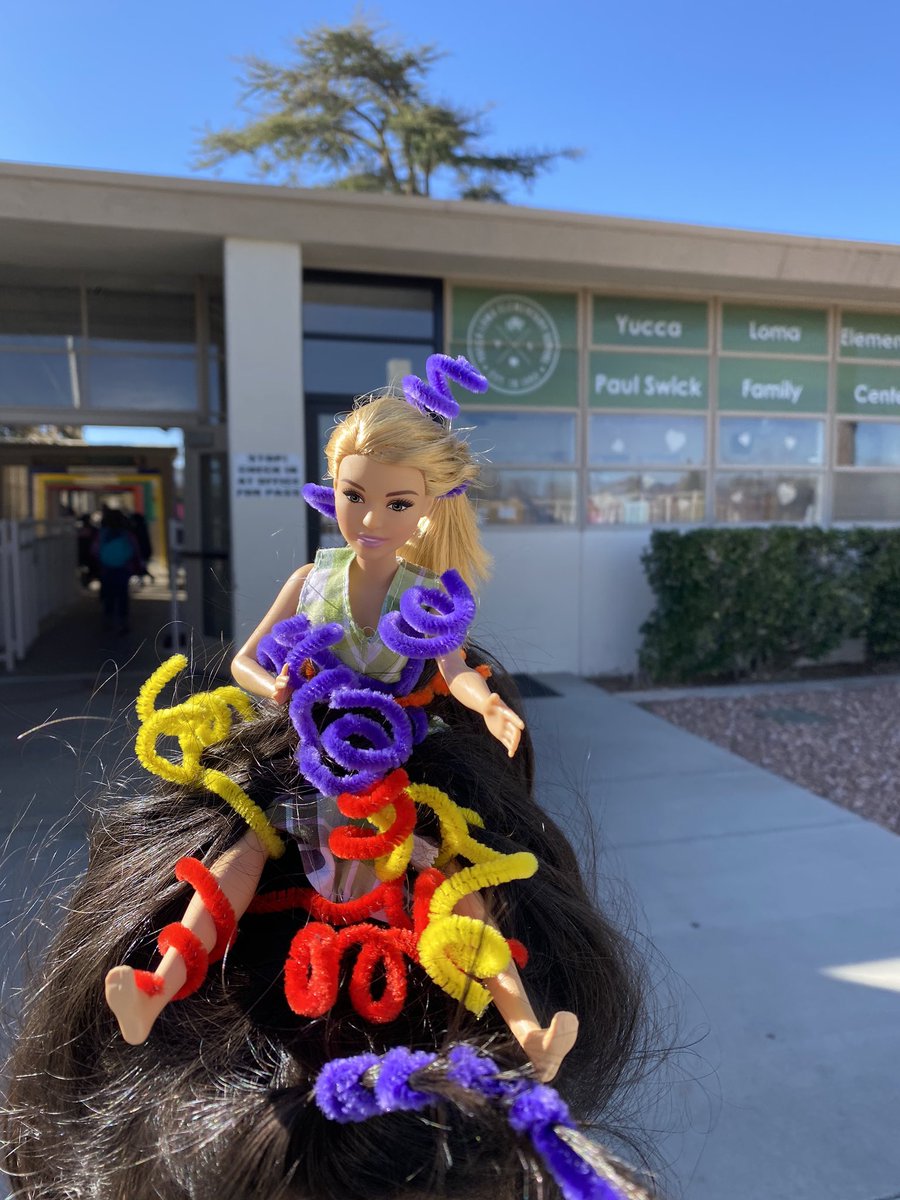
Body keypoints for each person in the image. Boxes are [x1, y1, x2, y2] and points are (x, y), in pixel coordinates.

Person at [2, 358, 659, 1198]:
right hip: (313, 748)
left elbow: (452, 668)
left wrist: (483, 704)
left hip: (388, 769)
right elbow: (243, 660)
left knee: (451, 886)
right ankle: (162, 981)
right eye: (354, 495)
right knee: (238, 860)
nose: (370, 517)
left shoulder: (424, 596)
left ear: (426, 508)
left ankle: (525, 1024)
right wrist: (272, 685)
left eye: (395, 502)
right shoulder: (312, 580)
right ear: (333, 489)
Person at [94, 507, 142, 633]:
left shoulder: (102, 534)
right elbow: (135, 549)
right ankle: (123, 622)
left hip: (106, 568)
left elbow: (94, 550)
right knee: (122, 595)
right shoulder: (126, 534)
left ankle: (108, 620)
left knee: (108, 595)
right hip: (123, 567)